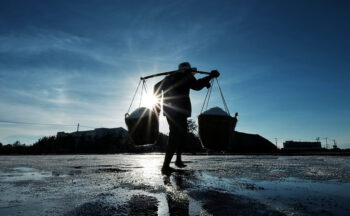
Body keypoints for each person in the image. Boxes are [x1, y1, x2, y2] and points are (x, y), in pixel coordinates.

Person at [153, 62, 220, 173]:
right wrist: (210, 76)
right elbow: (197, 85)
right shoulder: (186, 76)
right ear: (188, 70)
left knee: (179, 134)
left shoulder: (170, 77)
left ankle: (178, 160)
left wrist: (158, 108)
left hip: (169, 110)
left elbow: (156, 87)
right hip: (179, 111)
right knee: (176, 135)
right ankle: (165, 166)